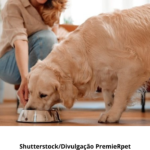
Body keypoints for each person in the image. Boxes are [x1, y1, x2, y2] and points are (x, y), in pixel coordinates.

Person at [0, 0, 67, 106]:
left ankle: (40, 101)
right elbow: (20, 41)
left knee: (50, 39)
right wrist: (25, 77)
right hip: (8, 64)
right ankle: (31, 100)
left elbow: (53, 43)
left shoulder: (54, 5)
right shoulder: (13, 4)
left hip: (33, 57)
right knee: (46, 38)